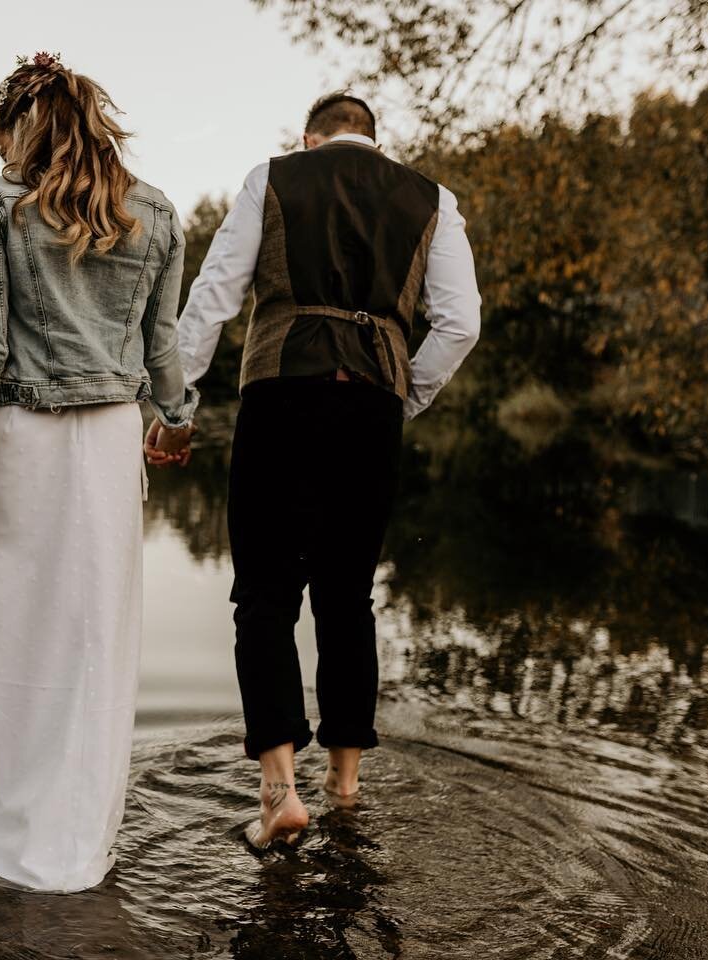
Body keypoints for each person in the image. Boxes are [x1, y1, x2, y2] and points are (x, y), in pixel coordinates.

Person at [146, 92, 482, 849]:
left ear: (308, 138)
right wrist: (406, 395)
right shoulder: (433, 198)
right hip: (372, 406)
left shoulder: (274, 177)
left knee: (264, 597)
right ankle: (346, 786)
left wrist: (177, 403)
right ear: (375, 140)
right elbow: (462, 321)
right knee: (348, 597)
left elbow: (215, 298)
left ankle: (278, 792)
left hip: (282, 396)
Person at [0, 51, 195, 891]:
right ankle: (75, 844)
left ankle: (0, 832)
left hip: (18, 444)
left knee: (11, 640)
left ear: (11, 128)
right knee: (93, 641)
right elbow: (162, 349)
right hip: (107, 444)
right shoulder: (160, 212)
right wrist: (177, 421)